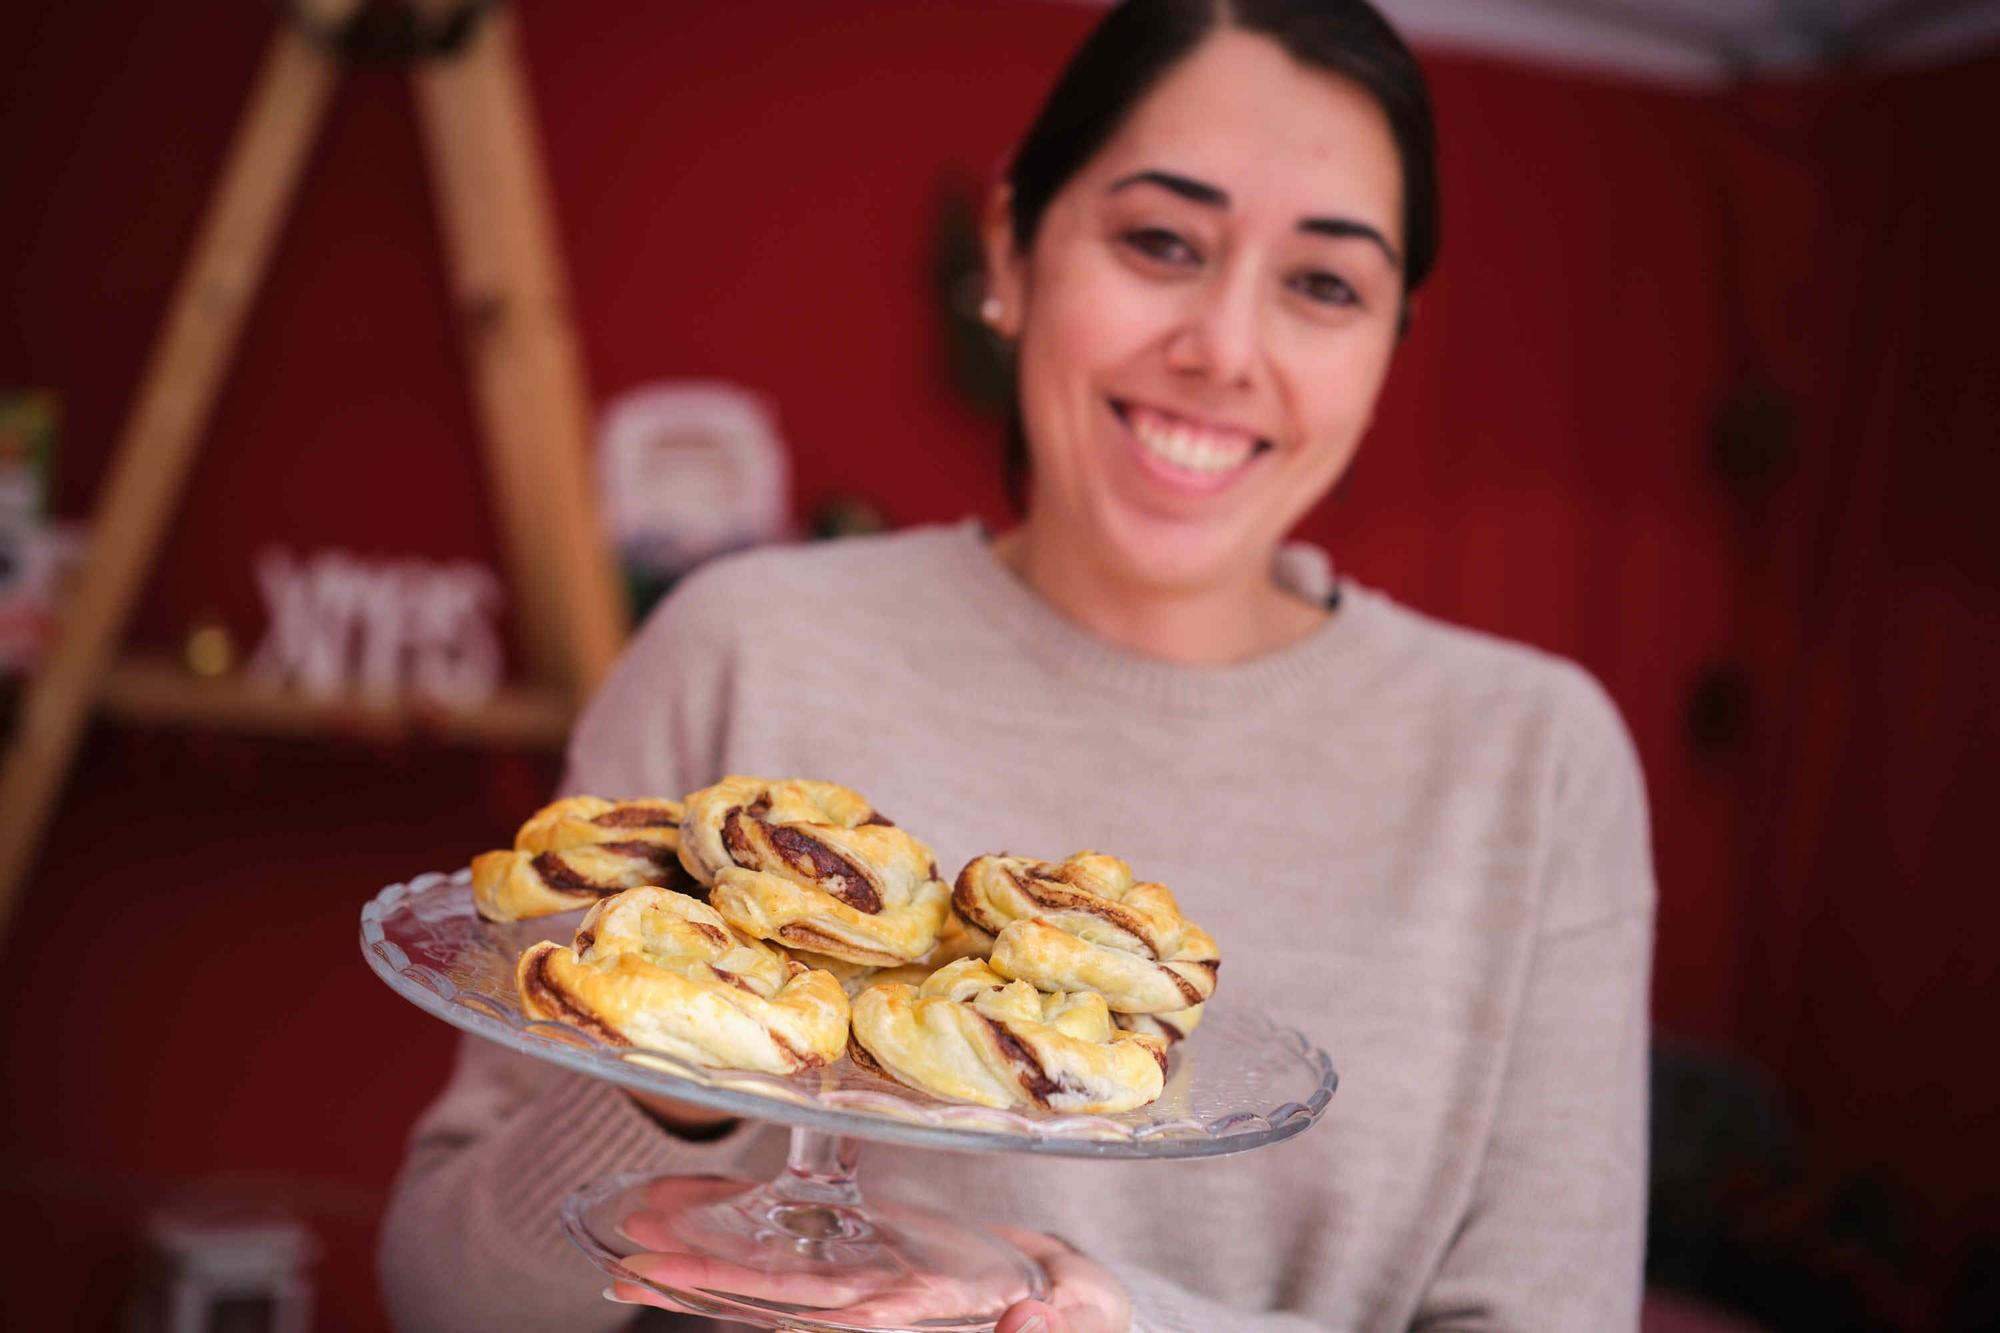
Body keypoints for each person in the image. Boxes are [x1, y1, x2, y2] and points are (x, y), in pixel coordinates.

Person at [378, 1, 1655, 1329]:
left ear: (1389, 346)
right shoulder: (743, 651)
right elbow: (440, 1297)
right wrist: (667, 1090)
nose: (1225, 347)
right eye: (1161, 241)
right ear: (1011, 252)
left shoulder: (1534, 764)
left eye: (1324, 284)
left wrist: (1088, 1309)